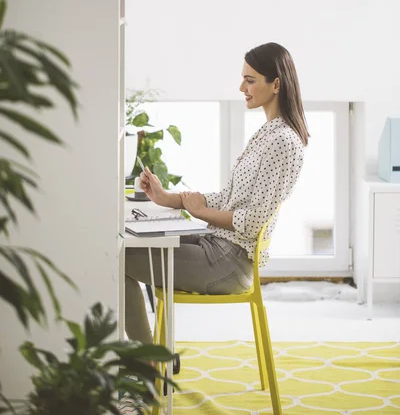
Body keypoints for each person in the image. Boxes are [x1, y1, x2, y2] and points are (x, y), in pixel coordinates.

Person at [125, 42, 308, 344]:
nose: (241, 87)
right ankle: (150, 361)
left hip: (228, 264)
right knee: (140, 242)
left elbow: (252, 222)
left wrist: (199, 212)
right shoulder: (269, 132)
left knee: (121, 259)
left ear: (275, 84)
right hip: (218, 246)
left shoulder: (282, 141)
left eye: (250, 80)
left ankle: (145, 366)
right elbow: (229, 197)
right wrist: (170, 199)